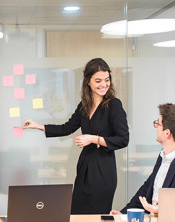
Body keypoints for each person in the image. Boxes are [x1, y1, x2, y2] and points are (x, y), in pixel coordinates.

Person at [23, 58, 129, 214]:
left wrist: (92, 138)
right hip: (84, 167)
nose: (103, 84)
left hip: (103, 169)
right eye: (98, 80)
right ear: (88, 82)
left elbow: (123, 139)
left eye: (107, 80)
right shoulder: (84, 105)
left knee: (95, 215)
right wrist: (38, 126)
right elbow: (66, 128)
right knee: (76, 213)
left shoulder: (114, 105)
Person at [110, 103, 175, 215]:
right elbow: (147, 190)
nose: (156, 127)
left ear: (167, 133)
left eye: (158, 124)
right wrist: (123, 214)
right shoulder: (163, 156)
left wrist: (166, 209)